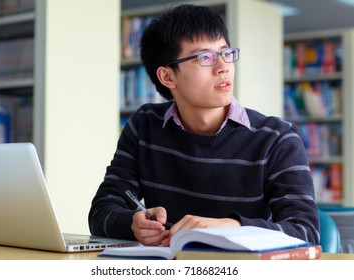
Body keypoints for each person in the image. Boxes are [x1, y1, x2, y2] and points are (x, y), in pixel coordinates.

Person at [88, 4, 320, 247]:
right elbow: (102, 211)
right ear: (168, 77)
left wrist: (231, 227)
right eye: (205, 57)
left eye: (226, 53)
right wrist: (133, 224)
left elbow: (305, 232)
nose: (223, 67)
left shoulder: (277, 139)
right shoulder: (144, 126)